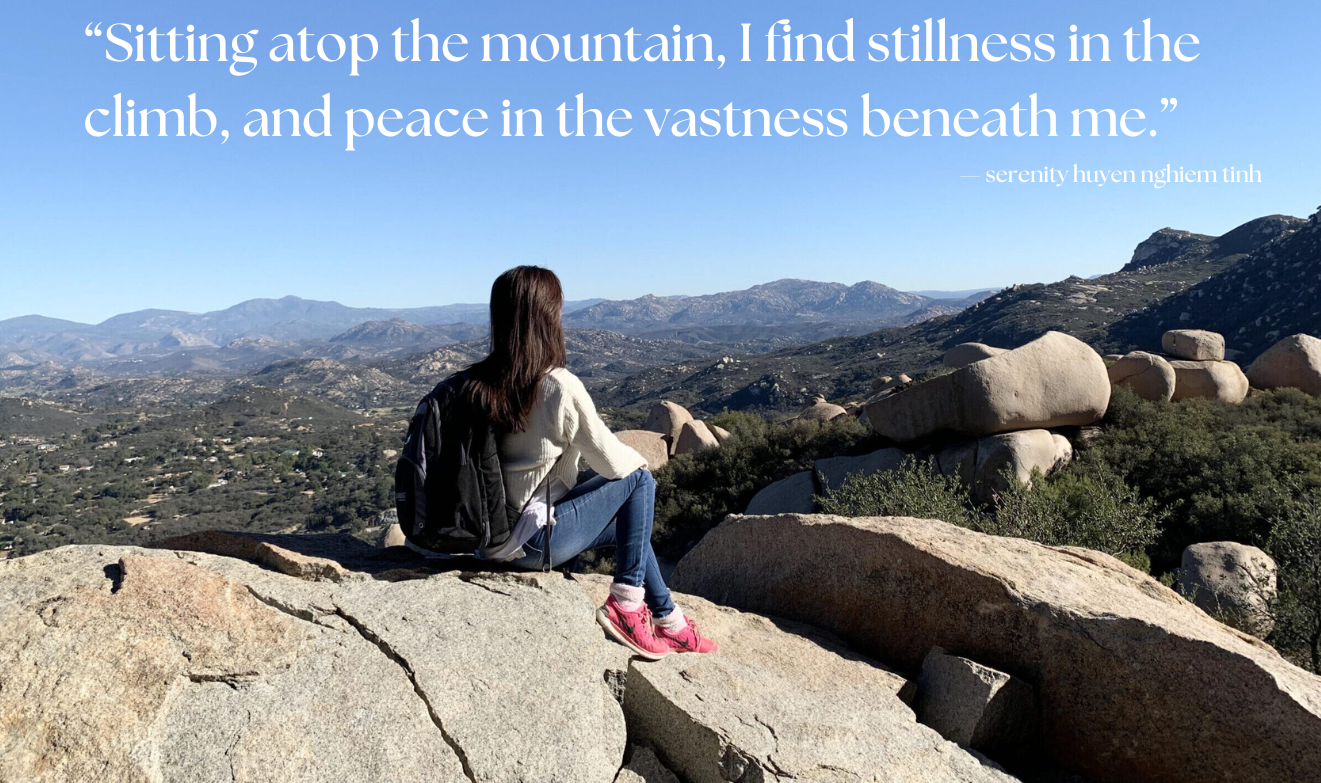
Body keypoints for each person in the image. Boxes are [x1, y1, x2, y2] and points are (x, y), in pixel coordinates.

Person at [464, 265, 717, 659]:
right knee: (641, 481)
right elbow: (618, 466)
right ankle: (628, 608)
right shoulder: (557, 385)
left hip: (486, 538)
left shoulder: (479, 380)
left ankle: (670, 621)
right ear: (549, 317)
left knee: (627, 527)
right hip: (528, 543)